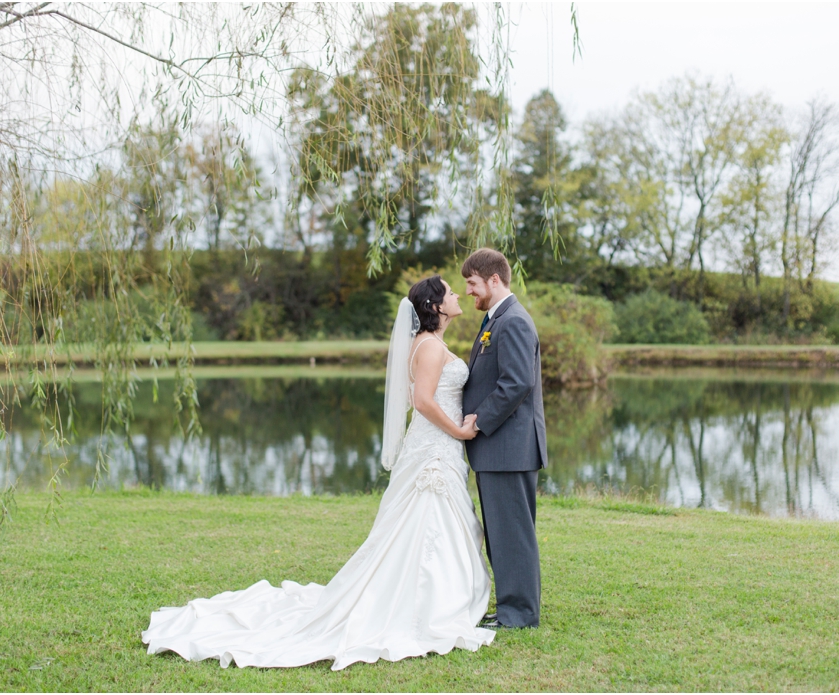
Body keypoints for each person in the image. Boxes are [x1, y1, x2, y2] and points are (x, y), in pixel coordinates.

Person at [141, 276, 496, 670]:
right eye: (449, 292)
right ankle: (428, 603)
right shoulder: (429, 347)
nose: (457, 295)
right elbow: (423, 402)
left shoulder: (432, 343)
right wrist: (460, 430)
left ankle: (438, 595)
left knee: (430, 522)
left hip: (436, 449)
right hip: (434, 446)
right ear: (435, 306)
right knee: (424, 521)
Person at [461, 248, 547, 629]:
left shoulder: (513, 322)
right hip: (499, 450)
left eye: (473, 283)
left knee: (513, 534)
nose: (469, 292)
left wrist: (477, 422)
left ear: (494, 280)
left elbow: (517, 384)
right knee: (502, 532)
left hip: (509, 447)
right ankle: (512, 608)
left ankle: (520, 614)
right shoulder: (495, 319)